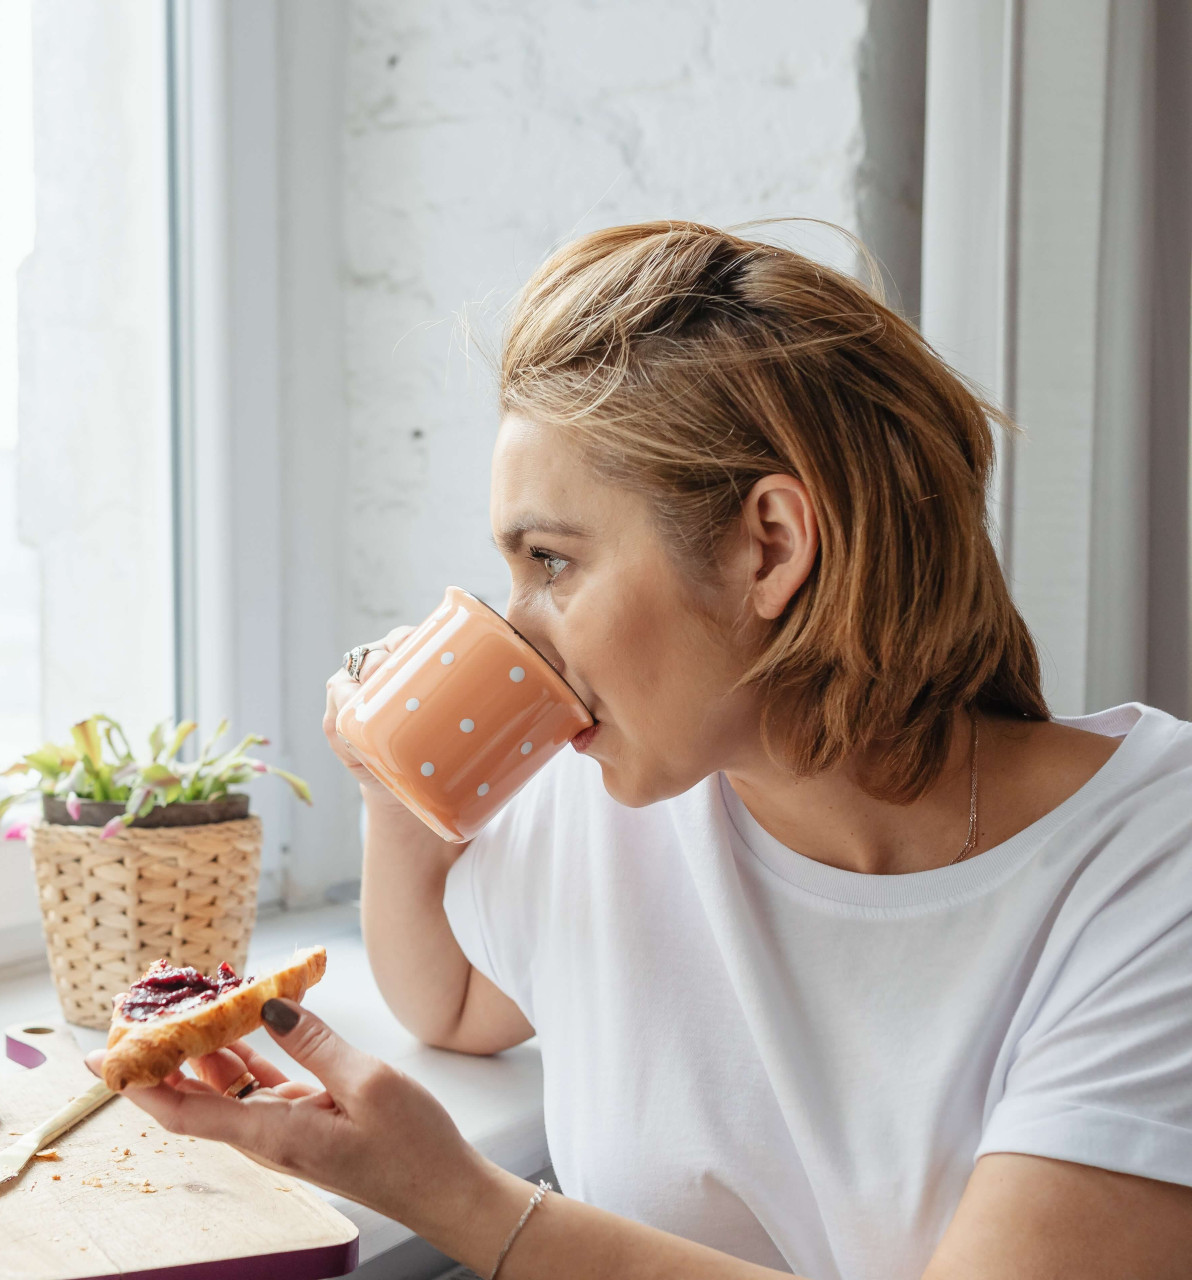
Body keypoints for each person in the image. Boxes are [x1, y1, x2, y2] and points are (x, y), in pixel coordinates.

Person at [88, 222, 1192, 1278]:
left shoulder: (1153, 862)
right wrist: (394, 785)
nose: (512, 626)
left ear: (771, 546)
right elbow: (456, 1003)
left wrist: (462, 1201)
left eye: (553, 561)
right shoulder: (630, 785)